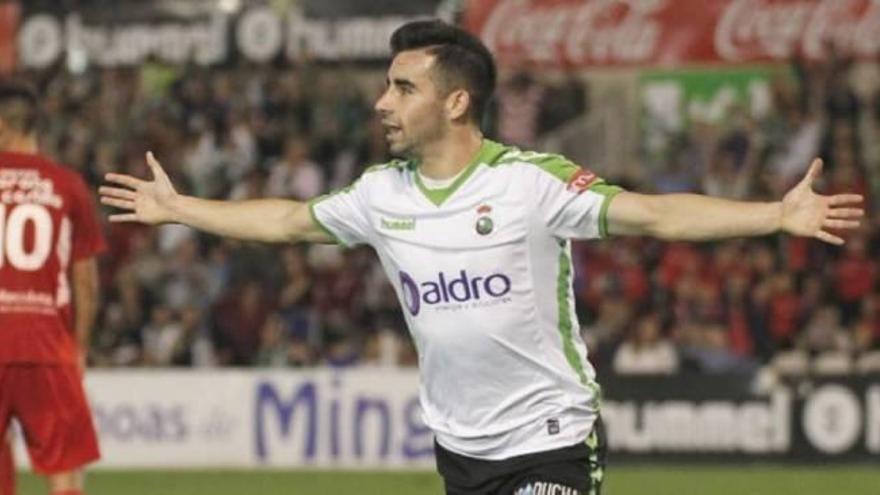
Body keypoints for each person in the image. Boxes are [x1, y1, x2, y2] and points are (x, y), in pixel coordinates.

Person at [100, 20, 864, 495]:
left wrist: (775, 213)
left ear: (455, 101)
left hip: (552, 440)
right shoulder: (380, 193)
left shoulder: (531, 181)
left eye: (402, 87)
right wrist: (179, 207)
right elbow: (290, 221)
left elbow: (656, 212)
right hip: (460, 451)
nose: (382, 103)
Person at [0, 81, 105, 495]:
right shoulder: (67, 185)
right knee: (65, 472)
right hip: (46, 343)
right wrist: (79, 347)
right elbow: (86, 281)